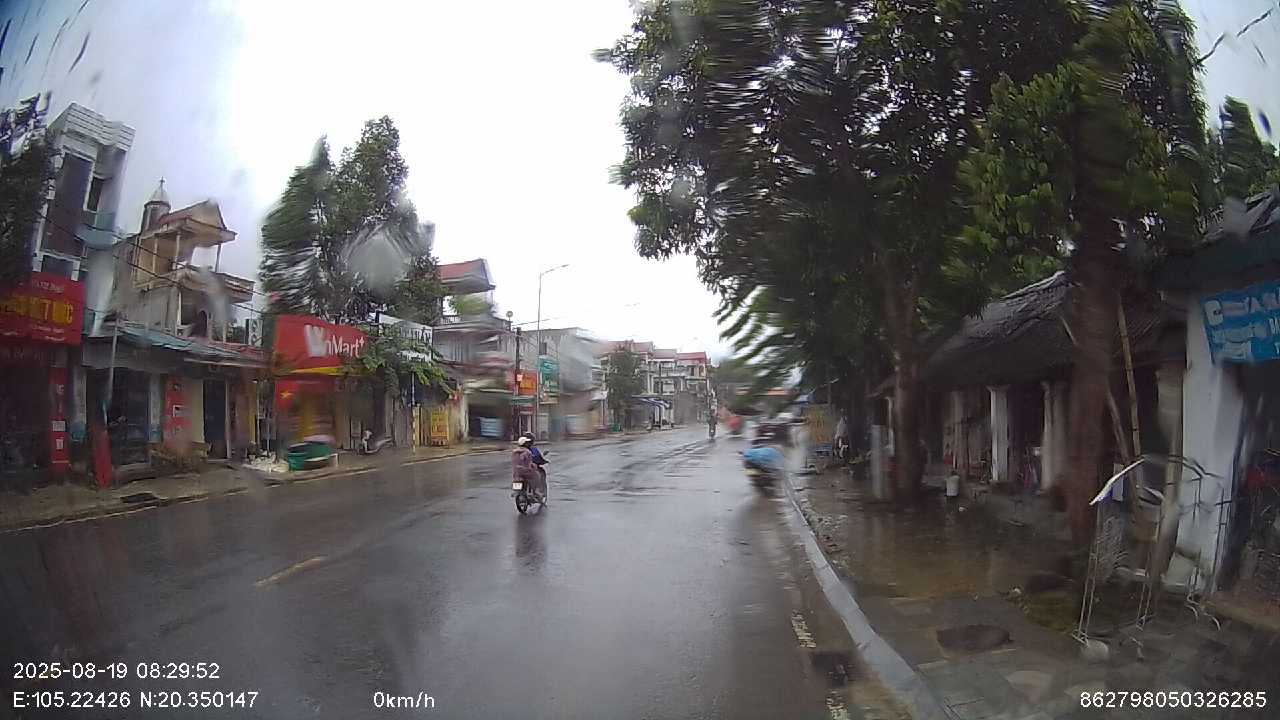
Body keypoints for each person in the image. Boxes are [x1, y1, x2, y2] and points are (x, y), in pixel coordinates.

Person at [512, 435, 544, 501]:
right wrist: (534, 466)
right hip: (526, 471)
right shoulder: (527, 452)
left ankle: (517, 491)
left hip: (516, 471)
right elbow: (529, 463)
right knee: (537, 476)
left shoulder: (514, 452)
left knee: (516, 479)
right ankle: (535, 492)